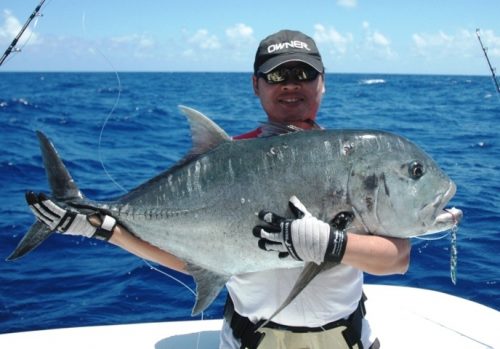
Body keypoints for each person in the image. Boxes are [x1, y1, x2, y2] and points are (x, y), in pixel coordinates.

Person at [26, 30, 410, 349]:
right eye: (277, 76)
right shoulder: (224, 159)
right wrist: (107, 230)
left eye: (304, 74)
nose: (292, 85)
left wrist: (331, 244)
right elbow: (193, 260)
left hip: (347, 341)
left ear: (323, 83)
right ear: (255, 85)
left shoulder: (356, 167)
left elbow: (397, 260)